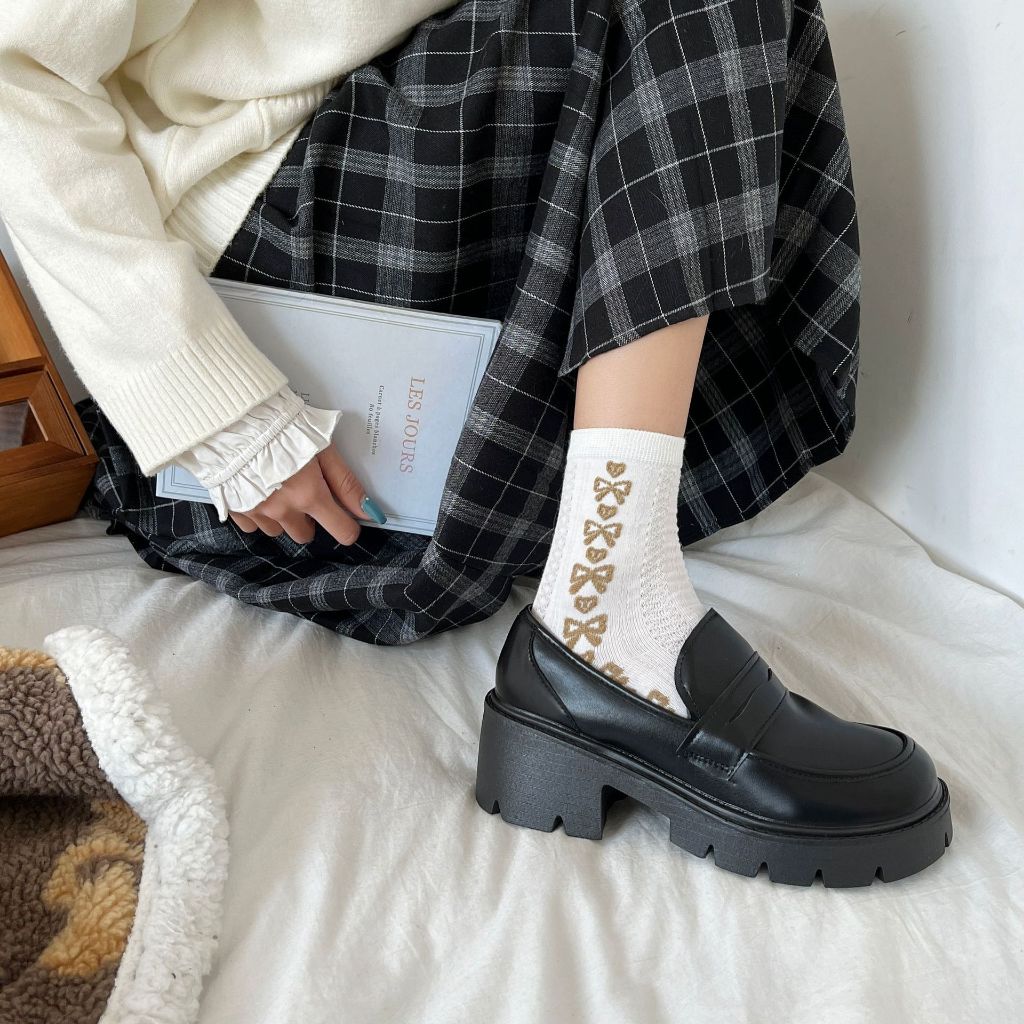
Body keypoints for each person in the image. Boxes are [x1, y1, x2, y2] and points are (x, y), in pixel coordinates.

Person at [0, 0, 952, 885]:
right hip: (267, 301)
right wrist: (216, 410)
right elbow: (17, 72)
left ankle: (607, 557)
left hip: (443, 235)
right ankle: (608, 607)